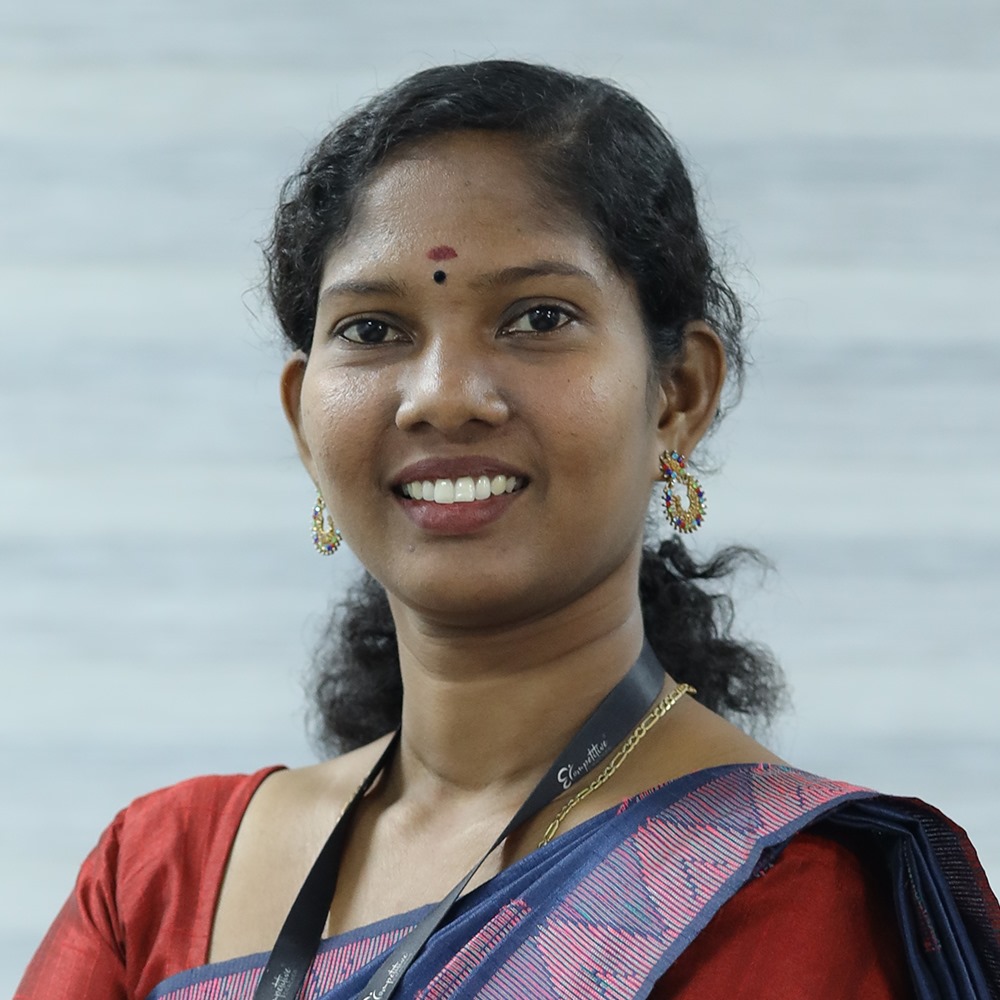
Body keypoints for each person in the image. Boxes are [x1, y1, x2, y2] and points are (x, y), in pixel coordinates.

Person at [16, 60, 999, 1000]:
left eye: (536, 318)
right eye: (373, 329)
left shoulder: (788, 896)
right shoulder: (157, 878)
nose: (443, 397)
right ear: (303, 421)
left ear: (678, 395)